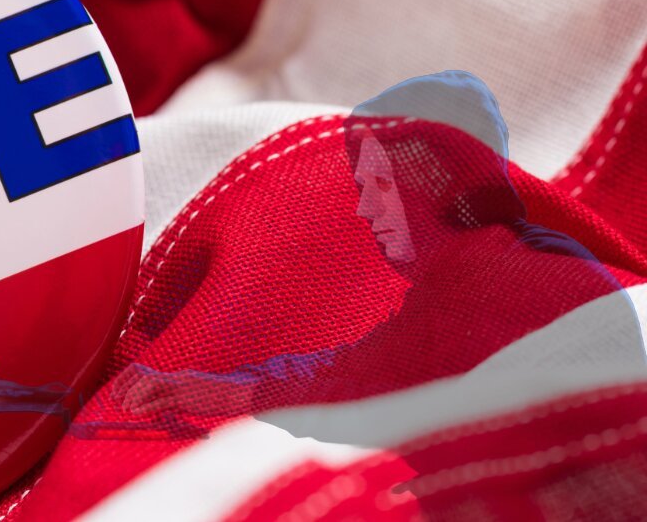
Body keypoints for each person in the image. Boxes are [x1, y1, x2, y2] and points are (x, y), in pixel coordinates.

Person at [96, 71, 645, 428]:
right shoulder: (462, 274)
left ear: (433, 180)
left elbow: (354, 375)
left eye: (379, 187)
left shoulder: (494, 277)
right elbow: (347, 366)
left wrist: (212, 392)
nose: (363, 210)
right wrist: (209, 390)